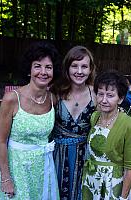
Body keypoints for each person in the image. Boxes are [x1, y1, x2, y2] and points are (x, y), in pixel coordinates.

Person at [0, 41, 60, 199]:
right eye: (37, 66)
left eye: (48, 67)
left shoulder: (52, 99)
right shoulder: (12, 99)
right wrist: (6, 178)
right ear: (29, 70)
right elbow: (0, 141)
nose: (43, 72)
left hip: (44, 168)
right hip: (17, 170)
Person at [82, 70, 131, 200]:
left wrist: (123, 198)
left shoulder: (129, 125)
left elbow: (130, 168)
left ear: (120, 98)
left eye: (110, 95)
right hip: (92, 180)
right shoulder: (95, 117)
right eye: (100, 94)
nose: (103, 100)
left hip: (112, 185)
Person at [50, 46, 96, 200]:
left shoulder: (96, 94)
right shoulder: (56, 92)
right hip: (58, 155)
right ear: (67, 68)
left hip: (85, 156)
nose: (79, 71)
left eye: (84, 66)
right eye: (74, 66)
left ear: (90, 69)